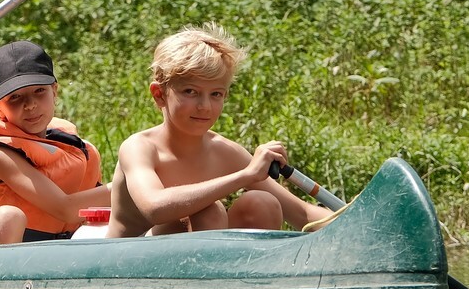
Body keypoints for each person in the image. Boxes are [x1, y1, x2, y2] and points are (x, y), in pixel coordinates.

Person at [106, 23, 330, 238]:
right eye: (190, 92)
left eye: (216, 94)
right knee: (209, 212)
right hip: (128, 262)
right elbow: (155, 208)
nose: (204, 106)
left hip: (197, 255)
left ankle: (242, 277)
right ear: (159, 94)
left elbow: (303, 213)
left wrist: (359, 216)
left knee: (263, 203)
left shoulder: (224, 152)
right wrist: (246, 175)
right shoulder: (139, 147)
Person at [0, 40, 109, 245]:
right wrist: (128, 182)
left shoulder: (76, 149)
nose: (30, 105)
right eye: (15, 97)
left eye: (39, 91)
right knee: (8, 217)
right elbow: (66, 209)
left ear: (55, 91)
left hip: (54, 253)